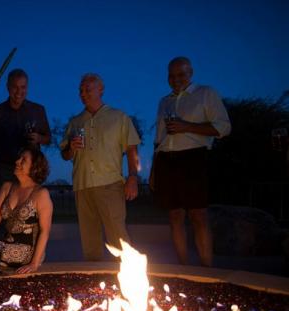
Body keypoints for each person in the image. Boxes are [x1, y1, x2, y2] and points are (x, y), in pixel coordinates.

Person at [152, 56, 231, 266]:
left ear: (191, 73)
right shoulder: (165, 101)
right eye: (171, 75)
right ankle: (183, 268)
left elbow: (223, 128)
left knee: (198, 215)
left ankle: (207, 270)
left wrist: (186, 126)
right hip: (166, 160)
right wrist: (153, 171)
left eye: (181, 74)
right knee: (175, 217)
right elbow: (158, 140)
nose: (176, 79)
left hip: (193, 157)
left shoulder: (206, 93)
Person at [60, 73, 141, 261]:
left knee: (118, 238)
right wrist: (71, 148)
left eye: (88, 89)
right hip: (83, 185)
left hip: (110, 184)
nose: (83, 94)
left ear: (101, 90)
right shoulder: (75, 122)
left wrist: (132, 178)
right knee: (89, 241)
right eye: (80, 90)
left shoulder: (118, 117)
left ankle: (127, 280)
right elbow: (65, 155)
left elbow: (131, 148)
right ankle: (95, 281)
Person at [0, 147, 53, 274]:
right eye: (19, 158)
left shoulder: (40, 193)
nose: (17, 161)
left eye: (23, 160)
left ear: (34, 167)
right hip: (6, 244)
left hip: (29, 251)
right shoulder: (7, 187)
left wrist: (34, 263)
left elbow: (44, 231)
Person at [0, 69, 51, 194]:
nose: (19, 92)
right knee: (3, 209)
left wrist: (39, 138)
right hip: (4, 171)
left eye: (23, 87)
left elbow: (48, 138)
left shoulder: (38, 110)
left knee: (30, 210)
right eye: (15, 87)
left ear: (27, 87)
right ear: (8, 87)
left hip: (31, 171)